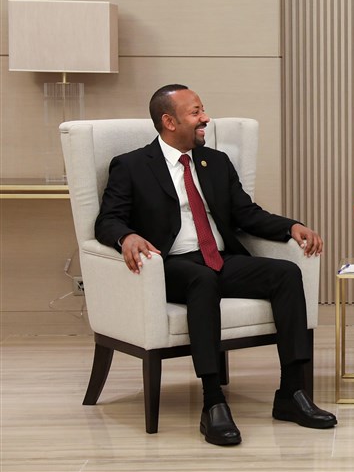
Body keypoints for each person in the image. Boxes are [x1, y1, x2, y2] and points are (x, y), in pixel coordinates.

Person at [95, 84, 337, 446]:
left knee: (286, 273)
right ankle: (213, 402)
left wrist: (290, 227)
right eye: (195, 112)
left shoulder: (216, 162)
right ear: (169, 121)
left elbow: (246, 214)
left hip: (220, 259)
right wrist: (126, 236)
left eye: (202, 110)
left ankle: (291, 393)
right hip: (172, 265)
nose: (205, 118)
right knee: (201, 280)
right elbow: (107, 221)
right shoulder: (131, 166)